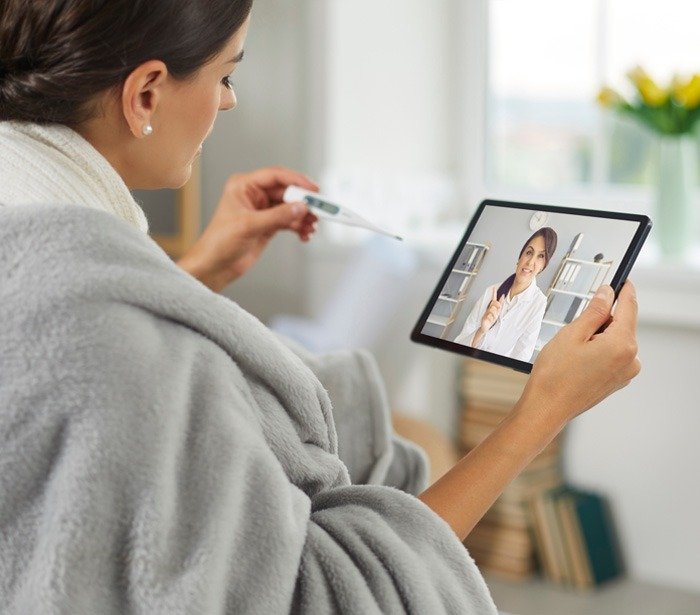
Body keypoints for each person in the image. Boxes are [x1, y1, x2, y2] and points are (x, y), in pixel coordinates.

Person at [0, 2, 641, 613]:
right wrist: (544, 411)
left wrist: (198, 273)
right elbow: (329, 600)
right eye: (225, 75)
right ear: (146, 95)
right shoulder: (100, 322)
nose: (229, 99)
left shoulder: (36, 226)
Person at [454, 228, 558, 362]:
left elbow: (522, 353)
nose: (530, 262)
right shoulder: (491, 291)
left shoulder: (538, 303)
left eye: (541, 256)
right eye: (529, 252)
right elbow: (459, 343)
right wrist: (482, 330)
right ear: (520, 256)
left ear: (543, 266)